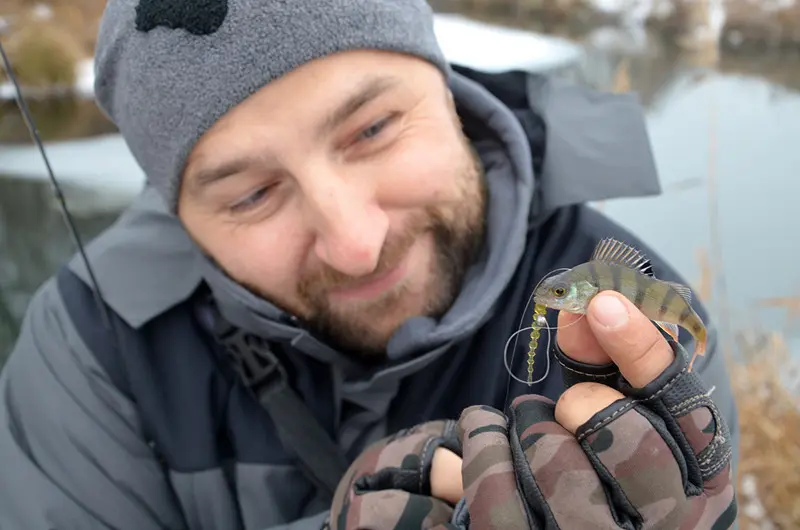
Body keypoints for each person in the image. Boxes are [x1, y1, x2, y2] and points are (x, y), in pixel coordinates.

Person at [0, 0, 738, 528]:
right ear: (178, 214)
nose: (355, 243)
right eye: (254, 195)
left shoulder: (634, 327)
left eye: (374, 128)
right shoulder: (87, 354)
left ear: (448, 92)